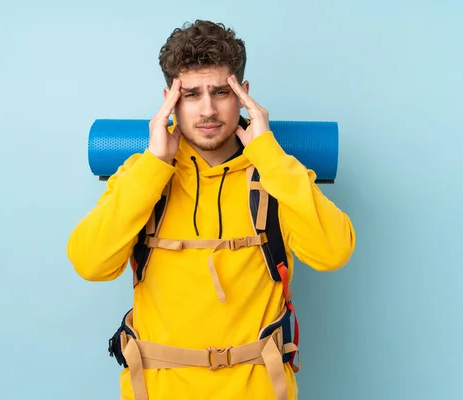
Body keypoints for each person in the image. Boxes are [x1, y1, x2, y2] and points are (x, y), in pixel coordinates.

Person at [67, 20, 355, 400]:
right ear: (169, 99)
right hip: (157, 390)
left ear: (244, 95)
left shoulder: (278, 172)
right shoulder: (141, 174)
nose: (207, 109)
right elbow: (90, 263)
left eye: (221, 92)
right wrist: (155, 166)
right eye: (191, 94)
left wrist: (268, 154)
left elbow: (333, 252)